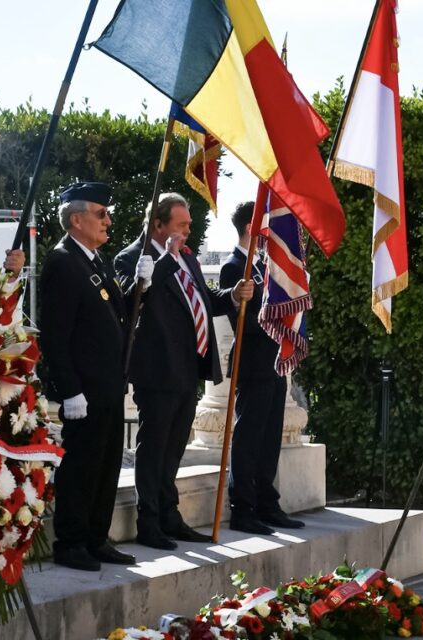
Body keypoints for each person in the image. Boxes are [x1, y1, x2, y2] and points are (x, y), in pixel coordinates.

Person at [114, 193, 254, 550]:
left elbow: (202, 299)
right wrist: (161, 263)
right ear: (158, 225)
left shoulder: (186, 258)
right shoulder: (133, 257)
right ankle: (150, 520)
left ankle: (169, 514)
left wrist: (232, 294)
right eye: (182, 225)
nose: (189, 231)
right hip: (157, 370)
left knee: (174, 448)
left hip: (188, 368)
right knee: (154, 448)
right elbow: (133, 303)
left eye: (189, 224)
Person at [39, 182, 135, 571]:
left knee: (107, 464)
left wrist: (145, 281)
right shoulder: (62, 262)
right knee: (81, 466)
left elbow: (118, 314)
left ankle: (97, 537)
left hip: (108, 386)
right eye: (101, 213)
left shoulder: (95, 260)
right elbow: (56, 335)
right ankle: (72, 541)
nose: (107, 220)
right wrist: (69, 390)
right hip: (84, 391)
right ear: (76, 219)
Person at [219, 201, 303, 534]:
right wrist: (277, 323)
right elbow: (241, 321)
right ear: (253, 228)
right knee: (249, 437)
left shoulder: (268, 266)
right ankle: (243, 507)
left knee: (270, 437)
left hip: (275, 362)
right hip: (253, 361)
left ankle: (267, 502)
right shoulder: (233, 267)